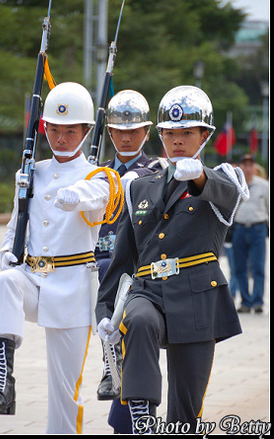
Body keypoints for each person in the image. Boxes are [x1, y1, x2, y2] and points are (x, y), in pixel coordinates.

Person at [95, 85, 246, 433]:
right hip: (148, 291)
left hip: (196, 300)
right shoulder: (138, 188)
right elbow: (123, 258)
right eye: (170, 133)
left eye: (186, 133)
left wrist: (199, 176)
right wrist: (104, 311)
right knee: (140, 320)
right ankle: (142, 415)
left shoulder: (222, 180)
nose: (177, 141)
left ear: (204, 136)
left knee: (186, 408)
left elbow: (228, 196)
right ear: (160, 136)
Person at [0, 82, 115, 434]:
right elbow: (15, 224)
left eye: (70, 131)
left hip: (72, 289)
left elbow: (97, 195)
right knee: (4, 281)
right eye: (54, 129)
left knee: (64, 392)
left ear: (86, 131)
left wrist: (75, 194)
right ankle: (1, 381)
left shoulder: (98, 176)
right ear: (44, 129)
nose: (61, 138)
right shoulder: (31, 172)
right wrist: (8, 250)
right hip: (33, 278)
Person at [93, 90, 166, 432]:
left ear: (147, 133)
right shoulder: (98, 172)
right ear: (109, 133)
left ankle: (127, 410)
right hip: (95, 265)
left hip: (136, 270)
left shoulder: (159, 171)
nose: (125, 136)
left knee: (133, 349)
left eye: (133, 130)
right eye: (119, 130)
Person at [232, 154, 269, 314]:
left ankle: (258, 301)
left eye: (250, 165)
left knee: (258, 267)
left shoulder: (263, 186)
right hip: (239, 229)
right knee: (239, 268)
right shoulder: (235, 185)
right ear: (240, 167)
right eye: (244, 165)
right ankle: (245, 302)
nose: (248, 169)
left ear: (255, 167)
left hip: (258, 229)